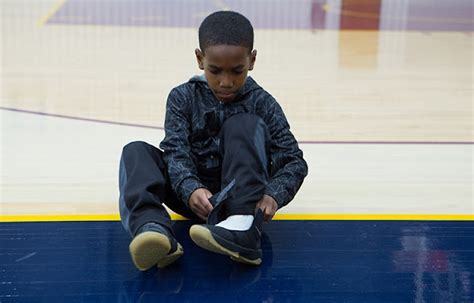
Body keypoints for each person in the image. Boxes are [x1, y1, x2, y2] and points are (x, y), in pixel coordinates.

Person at [119, 11, 308, 271]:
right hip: (192, 198)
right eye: (215, 70)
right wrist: (190, 188)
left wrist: (273, 195)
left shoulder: (263, 103)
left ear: (252, 61)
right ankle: (154, 231)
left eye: (237, 71)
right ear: (200, 59)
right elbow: (175, 151)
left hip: (240, 200)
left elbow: (294, 161)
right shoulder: (181, 97)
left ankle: (242, 232)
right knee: (135, 152)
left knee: (244, 125)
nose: (226, 82)